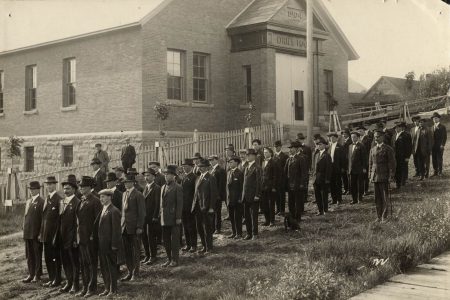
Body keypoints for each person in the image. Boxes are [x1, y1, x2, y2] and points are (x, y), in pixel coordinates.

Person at [76, 176, 102, 297]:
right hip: (81, 237)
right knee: (84, 264)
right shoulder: (82, 200)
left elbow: (98, 221)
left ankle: (92, 288)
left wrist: (93, 236)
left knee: (92, 264)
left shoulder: (95, 201)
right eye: (80, 187)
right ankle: (85, 287)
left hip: (90, 238)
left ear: (90, 188)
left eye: (84, 187)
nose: (81, 189)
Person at [96, 189, 122, 298]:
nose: (101, 199)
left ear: (110, 197)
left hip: (110, 245)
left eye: (103, 197)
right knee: (104, 267)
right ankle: (107, 288)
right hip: (102, 245)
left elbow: (116, 230)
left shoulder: (114, 211)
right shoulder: (103, 209)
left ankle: (113, 289)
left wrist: (114, 245)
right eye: (100, 197)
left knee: (111, 267)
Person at [120, 174, 145, 281]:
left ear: (133, 182)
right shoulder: (124, 194)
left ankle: (136, 272)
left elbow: (142, 212)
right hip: (125, 227)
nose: (126, 184)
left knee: (135, 251)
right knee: (127, 251)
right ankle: (130, 272)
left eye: (128, 182)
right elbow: (123, 212)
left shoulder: (138, 194)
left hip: (134, 227)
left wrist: (139, 226)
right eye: (125, 182)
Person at [59, 176, 81, 294]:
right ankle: (68, 281)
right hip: (62, 237)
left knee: (74, 262)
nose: (65, 191)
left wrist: (75, 239)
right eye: (64, 189)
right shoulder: (62, 201)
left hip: (72, 238)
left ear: (73, 189)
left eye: (68, 188)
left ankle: (75, 284)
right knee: (65, 261)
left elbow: (77, 223)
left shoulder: (77, 202)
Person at [369, 130, 396, 222]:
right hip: (375, 176)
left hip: (384, 175)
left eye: (378, 136)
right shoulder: (372, 149)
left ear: (383, 137)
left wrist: (391, 176)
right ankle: (378, 216)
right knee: (377, 198)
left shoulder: (388, 149)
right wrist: (370, 175)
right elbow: (371, 164)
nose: (376, 138)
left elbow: (392, 164)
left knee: (384, 197)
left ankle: (384, 216)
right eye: (375, 137)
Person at [40, 176, 63, 288]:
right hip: (46, 234)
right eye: (47, 184)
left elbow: (60, 219)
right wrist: (42, 233)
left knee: (55, 257)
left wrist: (56, 235)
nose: (49, 186)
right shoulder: (47, 198)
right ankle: (51, 278)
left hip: (54, 235)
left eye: (51, 184)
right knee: (48, 257)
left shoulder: (58, 199)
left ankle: (57, 279)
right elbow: (44, 218)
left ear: (55, 185)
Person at [192, 159, 218, 252]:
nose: (200, 168)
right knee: (200, 228)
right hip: (197, 207)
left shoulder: (211, 178)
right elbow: (195, 194)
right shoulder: (198, 178)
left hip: (206, 207)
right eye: (199, 167)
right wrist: (193, 206)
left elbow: (213, 194)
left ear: (207, 167)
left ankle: (209, 247)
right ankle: (204, 246)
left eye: (202, 166)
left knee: (207, 228)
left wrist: (211, 207)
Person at [160, 165, 183, 267]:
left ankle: (175, 260)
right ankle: (169, 258)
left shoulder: (177, 187)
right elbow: (161, 204)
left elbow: (179, 204)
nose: (166, 176)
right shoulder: (163, 187)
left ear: (174, 176)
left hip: (173, 218)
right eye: (165, 174)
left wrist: (178, 217)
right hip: (164, 218)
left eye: (168, 174)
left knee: (174, 240)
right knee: (166, 240)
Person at [22, 181, 44, 284]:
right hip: (27, 232)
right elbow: (25, 216)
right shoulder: (28, 201)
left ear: (38, 190)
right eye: (30, 189)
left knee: (36, 254)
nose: (31, 191)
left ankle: (37, 274)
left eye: (34, 189)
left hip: (36, 233)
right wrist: (24, 229)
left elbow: (43, 219)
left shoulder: (41, 202)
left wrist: (40, 233)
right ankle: (30, 274)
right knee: (29, 255)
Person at [141, 168, 161, 265]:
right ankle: (147, 255)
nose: (146, 177)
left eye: (148, 175)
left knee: (151, 237)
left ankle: (153, 256)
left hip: (151, 217)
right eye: (145, 176)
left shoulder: (156, 188)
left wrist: (155, 216)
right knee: (144, 236)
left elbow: (157, 204)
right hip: (144, 217)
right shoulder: (145, 188)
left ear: (153, 177)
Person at [285, 142, 308, 222]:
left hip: (298, 184)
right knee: (290, 202)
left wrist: (302, 183)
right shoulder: (288, 159)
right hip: (290, 184)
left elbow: (304, 173)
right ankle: (292, 217)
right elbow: (285, 173)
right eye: (290, 148)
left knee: (298, 202)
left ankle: (298, 217)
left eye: (292, 148)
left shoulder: (300, 159)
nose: (290, 150)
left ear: (296, 149)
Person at [242, 149, 262, 240]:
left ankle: (255, 233)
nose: (247, 157)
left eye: (249, 155)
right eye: (246, 155)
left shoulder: (257, 168)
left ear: (254, 156)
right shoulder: (246, 167)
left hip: (254, 196)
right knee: (247, 216)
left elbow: (259, 182)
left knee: (254, 216)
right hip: (246, 196)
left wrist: (257, 195)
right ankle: (249, 233)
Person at [180, 158, 198, 252]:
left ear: (191, 167)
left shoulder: (194, 177)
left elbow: (195, 193)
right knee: (185, 226)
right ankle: (188, 244)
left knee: (191, 226)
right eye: (183, 166)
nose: (184, 168)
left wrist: (193, 206)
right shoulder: (183, 177)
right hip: (183, 206)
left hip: (190, 206)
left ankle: (194, 245)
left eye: (186, 166)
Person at [312, 138, 332, 215]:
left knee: (324, 195)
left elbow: (329, 168)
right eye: (318, 144)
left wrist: (327, 179)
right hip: (316, 178)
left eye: (320, 144)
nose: (319, 146)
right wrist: (313, 176)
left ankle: (325, 210)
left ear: (324, 145)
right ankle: (320, 210)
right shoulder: (316, 154)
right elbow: (314, 166)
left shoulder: (327, 155)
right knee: (317, 195)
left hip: (323, 178)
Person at [226, 156, 244, 239]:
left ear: (236, 163)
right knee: (232, 217)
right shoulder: (229, 172)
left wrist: (240, 198)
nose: (230, 164)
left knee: (238, 217)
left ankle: (239, 233)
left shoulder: (240, 173)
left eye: (231, 162)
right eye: (229, 162)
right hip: (230, 199)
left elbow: (242, 187)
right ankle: (234, 232)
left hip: (237, 199)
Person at [348, 131, 367, 204]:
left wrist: (364, 168)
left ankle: (360, 198)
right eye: (352, 137)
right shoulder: (350, 146)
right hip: (351, 169)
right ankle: (354, 199)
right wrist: (348, 168)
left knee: (359, 184)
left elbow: (364, 158)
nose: (353, 138)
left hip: (359, 169)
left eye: (354, 137)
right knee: (353, 185)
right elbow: (349, 159)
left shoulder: (361, 146)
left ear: (358, 138)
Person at [208, 155, 226, 234]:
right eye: (210, 160)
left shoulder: (220, 170)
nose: (211, 162)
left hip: (217, 195)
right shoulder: (212, 170)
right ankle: (212, 228)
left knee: (217, 212)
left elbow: (221, 184)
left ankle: (217, 228)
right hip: (212, 194)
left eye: (212, 160)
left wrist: (218, 195)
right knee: (212, 212)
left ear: (216, 160)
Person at [392, 121, 412, 188]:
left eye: (398, 127)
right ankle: (398, 182)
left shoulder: (406, 135)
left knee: (403, 168)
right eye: (395, 128)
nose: (396, 129)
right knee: (397, 169)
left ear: (401, 128)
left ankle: (403, 181)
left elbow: (409, 147)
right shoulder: (394, 136)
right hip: (395, 156)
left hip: (403, 156)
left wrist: (407, 156)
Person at [261, 147, 277, 226]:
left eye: (266, 152)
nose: (265, 153)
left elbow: (275, 176)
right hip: (263, 186)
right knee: (264, 204)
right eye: (264, 152)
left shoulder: (274, 162)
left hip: (271, 187)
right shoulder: (263, 162)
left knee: (271, 204)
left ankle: (272, 221)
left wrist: (274, 186)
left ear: (271, 153)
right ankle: (267, 220)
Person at [327, 132, 344, 205]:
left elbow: (343, 158)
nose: (332, 139)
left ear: (337, 138)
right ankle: (333, 199)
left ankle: (339, 199)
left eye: (333, 137)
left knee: (338, 183)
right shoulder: (329, 147)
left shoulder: (340, 146)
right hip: (331, 168)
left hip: (337, 167)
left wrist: (343, 167)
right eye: (331, 138)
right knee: (332, 183)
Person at [273, 140, 288, 215]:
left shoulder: (284, 156)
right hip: (275, 179)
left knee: (282, 194)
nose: (276, 148)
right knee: (276, 195)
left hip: (282, 178)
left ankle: (282, 210)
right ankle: (278, 209)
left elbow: (286, 168)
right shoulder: (274, 156)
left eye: (277, 147)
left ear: (280, 147)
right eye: (275, 147)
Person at [431, 112, 447, 177]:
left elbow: (445, 137)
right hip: (433, 146)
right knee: (433, 159)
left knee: (439, 159)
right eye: (433, 118)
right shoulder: (432, 127)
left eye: (436, 118)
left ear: (439, 119)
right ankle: (435, 172)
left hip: (439, 146)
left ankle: (440, 172)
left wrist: (442, 145)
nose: (435, 119)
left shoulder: (442, 127)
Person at [358, 126, 372, 195]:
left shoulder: (367, 139)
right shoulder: (358, 139)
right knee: (360, 176)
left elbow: (368, 150)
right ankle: (361, 189)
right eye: (359, 131)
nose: (359, 132)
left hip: (365, 159)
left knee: (365, 176)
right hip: (359, 161)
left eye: (360, 131)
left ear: (364, 131)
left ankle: (365, 190)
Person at [341, 129, 352, 195]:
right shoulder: (343, 141)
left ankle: (349, 189)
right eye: (343, 134)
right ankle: (346, 188)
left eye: (345, 133)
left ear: (348, 134)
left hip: (348, 160)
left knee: (348, 176)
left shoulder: (350, 141)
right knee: (344, 176)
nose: (344, 135)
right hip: (343, 161)